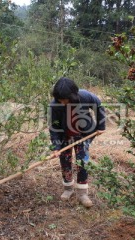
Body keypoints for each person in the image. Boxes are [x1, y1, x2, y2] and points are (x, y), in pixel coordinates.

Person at [48, 77, 106, 208]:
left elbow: (99, 106)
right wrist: (56, 146)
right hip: (64, 137)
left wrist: (101, 126)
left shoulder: (84, 96)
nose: (63, 103)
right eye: (60, 100)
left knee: (82, 161)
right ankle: (68, 188)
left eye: (65, 99)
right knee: (65, 161)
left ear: (73, 95)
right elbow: (54, 127)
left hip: (83, 135)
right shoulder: (54, 105)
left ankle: (82, 193)